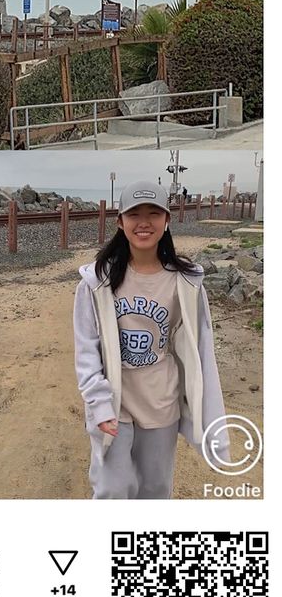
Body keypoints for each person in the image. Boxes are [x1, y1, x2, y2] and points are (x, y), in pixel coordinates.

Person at [72, 180, 229, 499]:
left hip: (162, 402)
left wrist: (211, 424)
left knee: (154, 490)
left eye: (154, 213)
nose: (144, 222)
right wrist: (99, 405)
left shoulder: (186, 282)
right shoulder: (96, 282)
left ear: (167, 220)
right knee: (112, 490)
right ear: (120, 222)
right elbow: (87, 349)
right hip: (115, 403)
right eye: (134, 214)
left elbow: (201, 352)